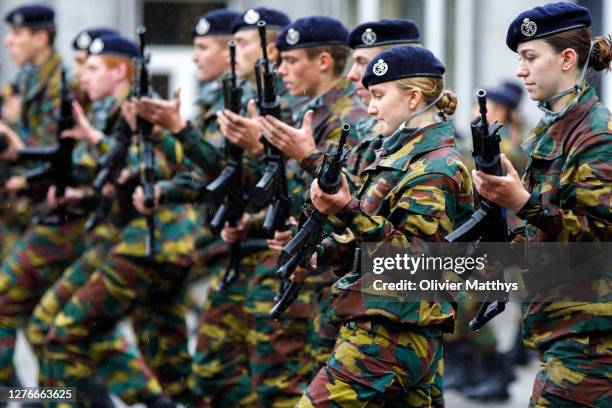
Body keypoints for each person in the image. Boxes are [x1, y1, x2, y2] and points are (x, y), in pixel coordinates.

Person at [298, 45, 474, 406]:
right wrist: (327, 251)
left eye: (379, 95)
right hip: (392, 323)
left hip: (394, 331)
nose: (371, 106)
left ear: (413, 98)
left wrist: (348, 210)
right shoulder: (399, 157)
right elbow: (375, 244)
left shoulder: (435, 169)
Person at [473, 2, 611, 407]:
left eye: (530, 57)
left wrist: (522, 201)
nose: (520, 70)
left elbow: (598, 237)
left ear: (567, 59)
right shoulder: (552, 130)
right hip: (559, 326)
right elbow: (546, 232)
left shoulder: (595, 135)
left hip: (589, 339)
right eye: (520, 59)